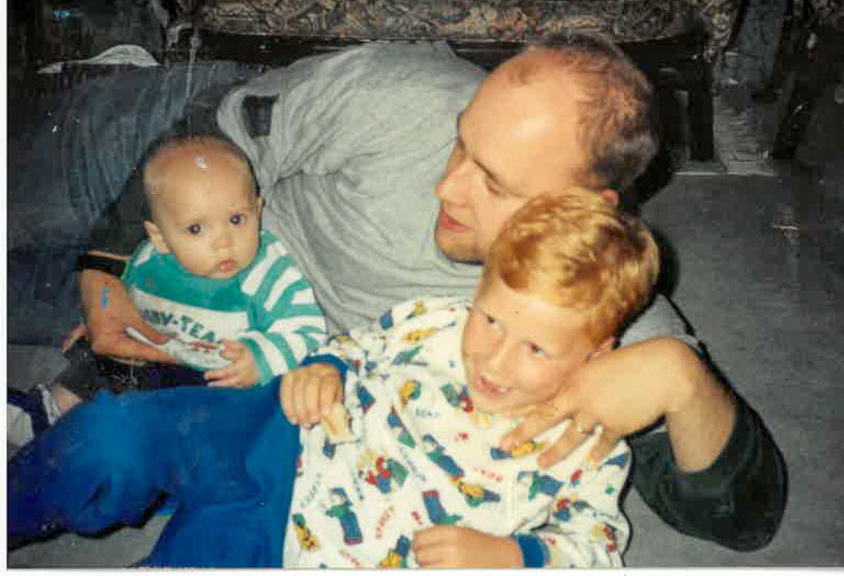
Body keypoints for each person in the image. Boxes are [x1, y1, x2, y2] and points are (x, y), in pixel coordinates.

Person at [8, 34, 785, 554]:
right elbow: (214, 129)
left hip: (242, 352)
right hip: (212, 192)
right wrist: (105, 269)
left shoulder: (598, 305)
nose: (445, 185)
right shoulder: (394, 90)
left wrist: (681, 381)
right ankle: (104, 66)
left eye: (494, 182)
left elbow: (746, 517)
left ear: (588, 212)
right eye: (462, 141)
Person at [10, 188, 661, 568]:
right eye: (490, 318)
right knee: (106, 437)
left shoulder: (591, 442)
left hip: (289, 541)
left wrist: (517, 556)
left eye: (537, 350)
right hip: (271, 430)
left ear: (597, 353)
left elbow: (597, 544)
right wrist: (326, 365)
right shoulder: (437, 320)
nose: (493, 359)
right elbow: (358, 342)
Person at [8, 134, 329, 445]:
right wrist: (98, 318)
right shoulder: (149, 260)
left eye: (236, 219)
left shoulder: (269, 271)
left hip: (215, 381)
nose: (223, 241)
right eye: (196, 228)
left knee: (210, 422)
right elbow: (122, 301)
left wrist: (261, 358)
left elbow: (307, 328)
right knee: (100, 364)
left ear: (257, 211)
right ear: (160, 237)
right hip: (153, 353)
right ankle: (50, 412)